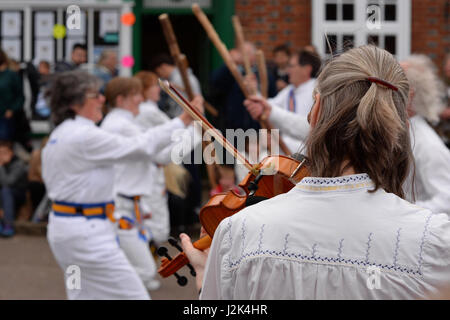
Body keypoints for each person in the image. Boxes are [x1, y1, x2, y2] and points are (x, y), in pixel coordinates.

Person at [180, 45, 450, 299]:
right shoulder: (435, 241)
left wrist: (205, 280)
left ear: (316, 110)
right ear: (401, 123)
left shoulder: (238, 232)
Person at [42, 70, 198, 299]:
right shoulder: (84, 136)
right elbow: (141, 146)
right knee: (135, 296)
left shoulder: (65, 133)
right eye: (94, 95)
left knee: (82, 294)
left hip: (71, 231)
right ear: (75, 103)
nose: (102, 100)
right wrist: (184, 121)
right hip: (87, 236)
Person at [400, 55, 450, 215]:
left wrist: (402, 212)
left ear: (410, 95)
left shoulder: (427, 144)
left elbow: (446, 200)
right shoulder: (405, 134)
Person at [209, 42, 277, 132]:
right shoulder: (230, 73)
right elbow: (214, 83)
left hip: (258, 128)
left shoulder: (264, 74)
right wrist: (230, 64)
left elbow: (273, 99)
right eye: (241, 53)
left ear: (254, 56)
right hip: (232, 129)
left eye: (247, 53)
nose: (243, 57)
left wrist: (256, 90)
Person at [265, 49, 321, 153]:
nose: (287, 71)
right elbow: (267, 106)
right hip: (284, 154)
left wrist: (270, 111)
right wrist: (253, 91)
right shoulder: (290, 90)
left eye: (291, 66)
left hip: (305, 157)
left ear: (306, 69)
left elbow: (308, 130)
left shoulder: (317, 90)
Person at [151, 53, 202, 118]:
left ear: (163, 67)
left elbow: (175, 108)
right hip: (194, 120)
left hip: (188, 121)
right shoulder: (188, 76)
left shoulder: (177, 80)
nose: (160, 75)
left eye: (158, 72)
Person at [0, 140, 28, 237]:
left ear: (11, 153)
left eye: (4, 153)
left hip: (18, 194)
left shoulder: (18, 164)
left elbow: (7, 183)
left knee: (5, 191)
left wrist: (0, 166)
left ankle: (8, 225)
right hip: (4, 195)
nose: (1, 155)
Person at [0, 49, 25, 141]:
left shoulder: (11, 75)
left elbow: (20, 96)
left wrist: (11, 110)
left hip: (5, 117)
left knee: (4, 143)